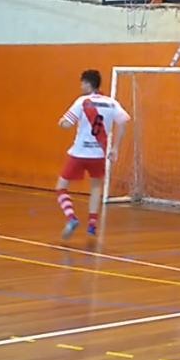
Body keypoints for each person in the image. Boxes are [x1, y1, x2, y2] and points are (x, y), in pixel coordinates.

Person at [56, 69, 130, 238]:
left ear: (88, 84)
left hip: (79, 152)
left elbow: (67, 123)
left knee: (61, 186)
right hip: (98, 154)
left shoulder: (83, 101)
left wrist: (61, 122)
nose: (81, 86)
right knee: (96, 187)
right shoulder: (112, 103)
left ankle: (71, 217)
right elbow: (124, 123)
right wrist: (115, 148)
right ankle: (92, 225)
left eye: (82, 83)